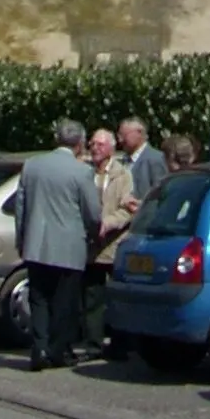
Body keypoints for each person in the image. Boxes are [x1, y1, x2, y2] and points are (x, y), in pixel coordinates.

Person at [16, 120, 99, 371]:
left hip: (36, 243)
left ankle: (39, 347)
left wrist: (22, 239)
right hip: (68, 245)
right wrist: (92, 233)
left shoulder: (32, 165)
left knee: (39, 298)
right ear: (80, 144)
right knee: (65, 301)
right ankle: (56, 350)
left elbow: (21, 207)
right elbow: (93, 213)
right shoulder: (81, 171)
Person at [84, 128, 135, 354]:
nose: (95, 148)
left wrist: (109, 223)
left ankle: (120, 344)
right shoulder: (85, 172)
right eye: (92, 144)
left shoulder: (123, 175)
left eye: (100, 145)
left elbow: (128, 208)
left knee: (117, 297)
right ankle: (93, 343)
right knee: (92, 297)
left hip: (114, 243)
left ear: (111, 148)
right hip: (90, 246)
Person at [118, 117, 167, 203]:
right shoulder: (122, 161)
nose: (120, 140)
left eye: (124, 135)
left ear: (139, 133)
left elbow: (160, 196)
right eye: (119, 135)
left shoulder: (156, 160)